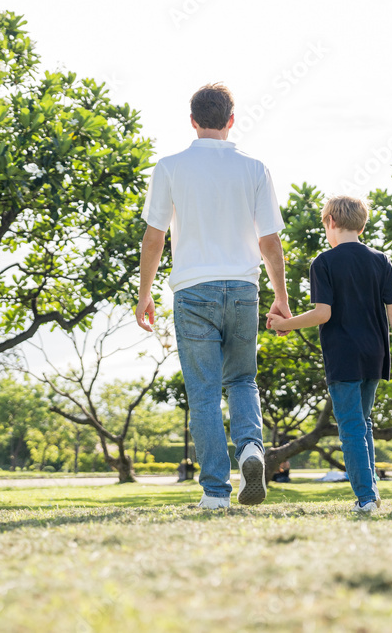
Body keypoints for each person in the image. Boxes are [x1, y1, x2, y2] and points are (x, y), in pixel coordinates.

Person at [136, 83, 291, 510]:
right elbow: (271, 242)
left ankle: (216, 494)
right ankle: (250, 450)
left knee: (203, 392)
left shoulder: (169, 167)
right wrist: (281, 297)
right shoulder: (255, 168)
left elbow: (154, 237)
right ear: (231, 120)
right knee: (242, 379)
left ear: (192, 121)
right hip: (244, 288)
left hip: (192, 289)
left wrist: (144, 293)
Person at [267, 196, 392, 514]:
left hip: (343, 355)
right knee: (364, 423)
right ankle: (370, 492)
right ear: (361, 224)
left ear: (330, 221)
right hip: (375, 354)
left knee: (351, 427)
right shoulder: (381, 260)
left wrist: (286, 324)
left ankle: (366, 498)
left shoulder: (324, 262)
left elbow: (322, 314)